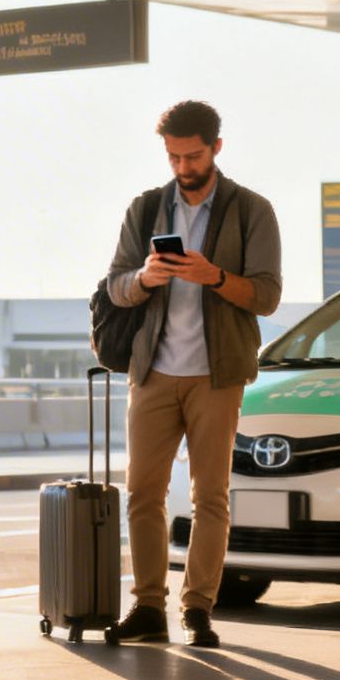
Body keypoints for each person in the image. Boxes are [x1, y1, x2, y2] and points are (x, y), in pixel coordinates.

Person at [103, 100, 282, 649]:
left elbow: (268, 296)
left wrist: (215, 276)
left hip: (216, 374)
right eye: (174, 156)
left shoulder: (252, 210)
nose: (183, 167)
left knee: (211, 498)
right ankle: (149, 607)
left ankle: (199, 609)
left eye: (193, 155)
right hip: (152, 372)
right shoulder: (147, 208)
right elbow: (114, 286)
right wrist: (146, 278)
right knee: (142, 494)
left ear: (216, 148)